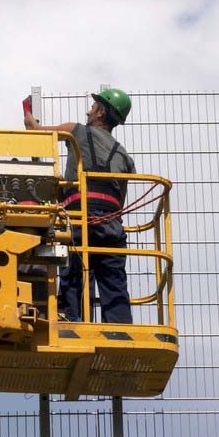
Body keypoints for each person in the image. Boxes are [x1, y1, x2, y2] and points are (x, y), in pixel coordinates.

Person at [23, 89, 135, 324]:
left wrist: (28, 115)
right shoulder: (124, 156)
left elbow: (35, 132)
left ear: (101, 112)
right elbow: (120, 200)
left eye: (93, 107)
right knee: (114, 278)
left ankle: (74, 320)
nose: (88, 111)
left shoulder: (77, 131)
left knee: (75, 274)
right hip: (111, 226)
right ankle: (119, 328)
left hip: (78, 219)